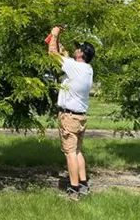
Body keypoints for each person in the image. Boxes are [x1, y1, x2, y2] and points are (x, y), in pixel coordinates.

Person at [48, 26, 95, 200]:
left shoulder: (74, 67)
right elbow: (64, 54)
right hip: (80, 117)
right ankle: (83, 185)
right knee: (77, 151)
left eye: (78, 48)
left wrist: (53, 34)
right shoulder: (87, 69)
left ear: (81, 54)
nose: (75, 49)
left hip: (69, 117)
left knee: (70, 153)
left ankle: (73, 190)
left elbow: (53, 53)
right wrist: (59, 37)